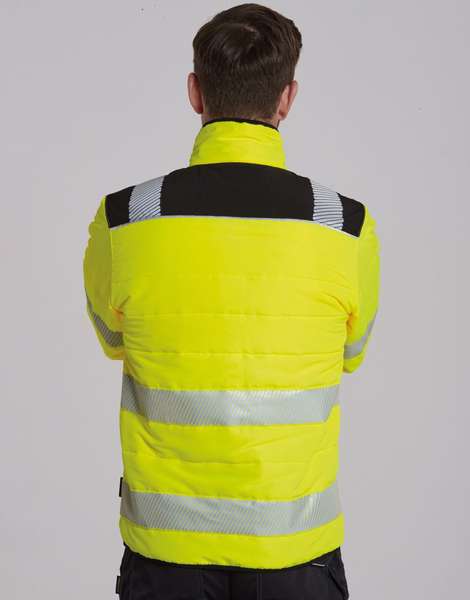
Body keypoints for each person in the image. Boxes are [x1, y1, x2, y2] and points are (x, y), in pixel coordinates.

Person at [83, 3, 380, 599]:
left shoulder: (126, 217)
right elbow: (351, 354)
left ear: (195, 92)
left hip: (166, 554)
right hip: (295, 551)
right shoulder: (345, 225)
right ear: (287, 98)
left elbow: (112, 339)